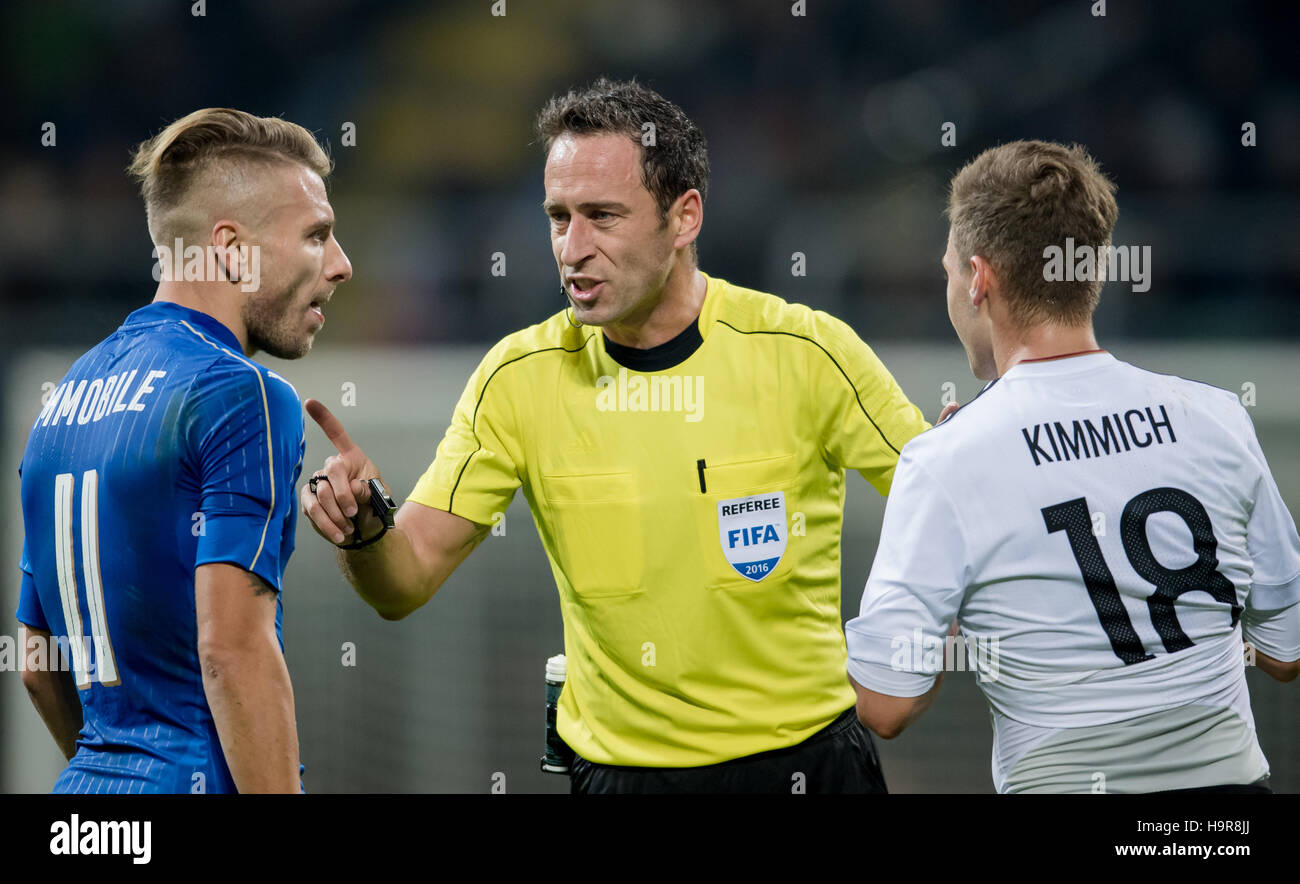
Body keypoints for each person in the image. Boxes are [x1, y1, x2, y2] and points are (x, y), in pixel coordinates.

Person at [300, 78, 930, 793]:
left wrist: (900, 668)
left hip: (809, 768)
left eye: (603, 215)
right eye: (558, 217)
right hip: (620, 778)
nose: (573, 248)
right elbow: (403, 579)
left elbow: (941, 508)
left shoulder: (807, 352)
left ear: (684, 217)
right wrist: (364, 531)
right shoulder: (518, 379)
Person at [845, 139, 1300, 793]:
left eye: (948, 270)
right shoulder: (1218, 417)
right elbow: (1285, 654)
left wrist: (946, 552)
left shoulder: (949, 460)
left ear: (977, 278)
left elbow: (886, 705)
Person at [16, 107, 352, 793]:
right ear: (231, 247)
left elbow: (35, 658)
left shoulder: (61, 399)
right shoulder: (240, 391)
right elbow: (232, 650)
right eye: (316, 236)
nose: (342, 265)